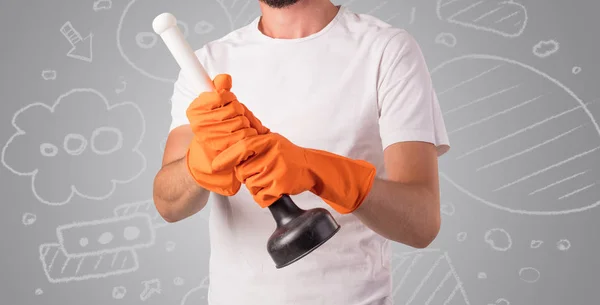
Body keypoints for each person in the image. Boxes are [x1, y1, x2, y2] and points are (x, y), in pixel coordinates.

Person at [153, 0, 450, 304]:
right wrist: (200, 163)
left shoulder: (387, 50)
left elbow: (421, 224)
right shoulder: (207, 64)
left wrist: (314, 170)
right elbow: (168, 204)